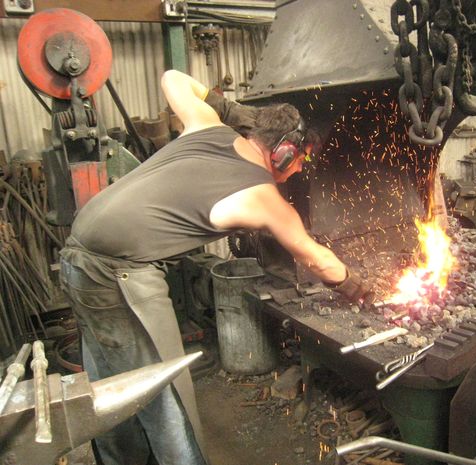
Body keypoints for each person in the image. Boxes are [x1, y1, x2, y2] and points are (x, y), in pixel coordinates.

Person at [59, 69, 371, 465]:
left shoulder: (208, 127)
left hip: (75, 257)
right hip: (118, 276)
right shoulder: (265, 197)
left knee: (111, 389)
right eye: (299, 162)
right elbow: (318, 259)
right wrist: (360, 287)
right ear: (284, 153)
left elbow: (172, 78)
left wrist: (230, 110)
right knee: (166, 396)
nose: (297, 171)